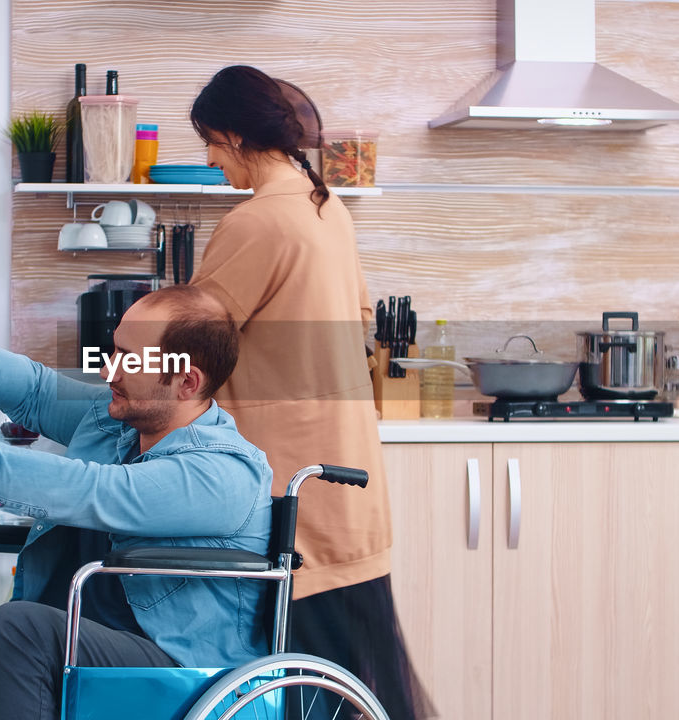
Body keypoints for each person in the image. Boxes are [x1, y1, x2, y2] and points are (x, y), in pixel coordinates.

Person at [0, 285, 273, 720]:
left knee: (22, 628)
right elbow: (36, 390)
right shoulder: (115, 421)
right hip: (84, 643)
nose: (110, 371)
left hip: (185, 675)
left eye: (129, 358)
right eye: (113, 351)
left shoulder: (225, 473)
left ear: (186, 381)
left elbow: (91, 490)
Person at [188, 65, 432, 719]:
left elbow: (186, 352)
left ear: (235, 134)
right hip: (344, 486)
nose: (212, 163)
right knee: (355, 689)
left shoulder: (258, 222)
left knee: (290, 693)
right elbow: (353, 327)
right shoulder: (327, 209)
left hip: (289, 488)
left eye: (210, 144)